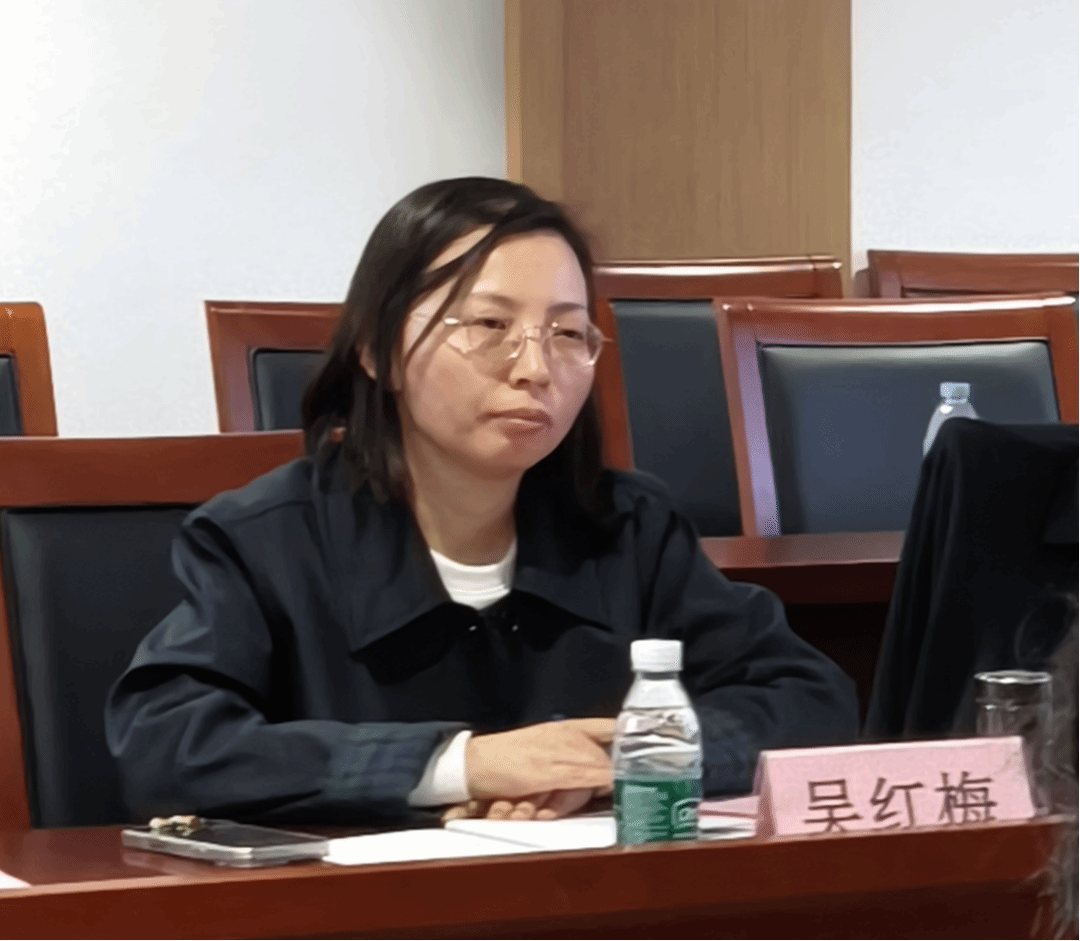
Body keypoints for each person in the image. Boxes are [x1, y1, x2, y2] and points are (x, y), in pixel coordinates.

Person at [105, 177, 859, 826]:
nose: (535, 368)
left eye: (568, 333)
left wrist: (622, 761)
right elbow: (166, 745)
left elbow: (810, 698)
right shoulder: (262, 538)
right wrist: (462, 765)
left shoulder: (629, 525)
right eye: (491, 325)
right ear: (375, 347)